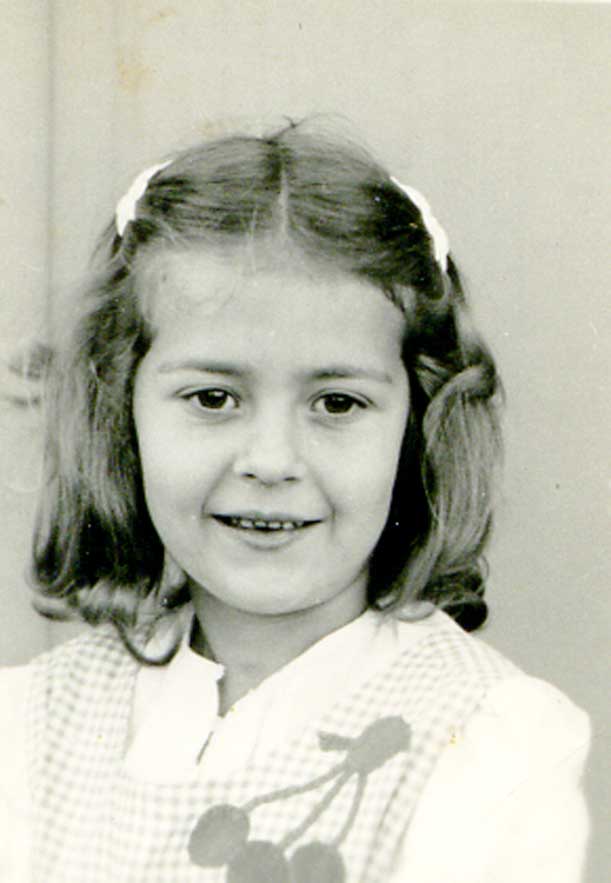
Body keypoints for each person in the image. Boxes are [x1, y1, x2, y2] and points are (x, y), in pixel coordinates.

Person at [0, 121, 590, 882]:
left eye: (337, 403)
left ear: (418, 425)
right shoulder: (29, 729)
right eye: (213, 397)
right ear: (120, 412)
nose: (272, 461)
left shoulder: (483, 745)